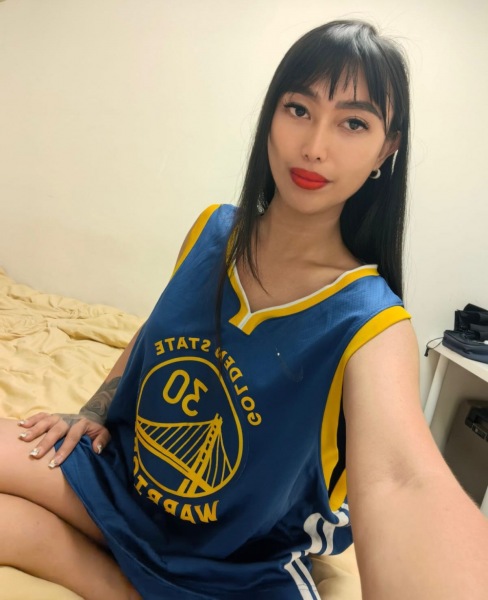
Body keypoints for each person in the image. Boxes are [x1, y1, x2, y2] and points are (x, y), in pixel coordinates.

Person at [1, 19, 487, 600]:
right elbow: (155, 333)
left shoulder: (372, 323)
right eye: (298, 109)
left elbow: (402, 479)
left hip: (238, 566)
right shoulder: (212, 231)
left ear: (387, 149)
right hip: (123, 486)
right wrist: (93, 411)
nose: (314, 146)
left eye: (353, 123)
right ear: (271, 114)